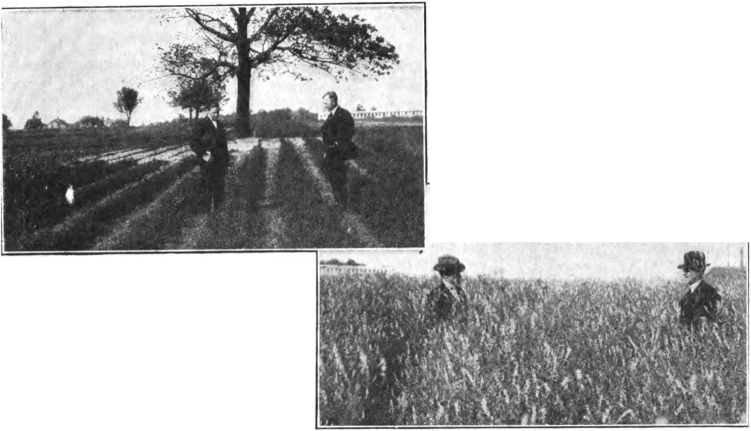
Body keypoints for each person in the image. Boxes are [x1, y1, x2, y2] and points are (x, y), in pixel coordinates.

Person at [320, 91, 355, 209]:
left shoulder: (344, 115)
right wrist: (326, 151)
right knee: (333, 178)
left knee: (340, 178)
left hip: (340, 153)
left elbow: (347, 134)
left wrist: (337, 145)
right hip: (331, 153)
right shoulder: (331, 116)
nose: (324, 105)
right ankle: (338, 202)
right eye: (323, 103)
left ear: (334, 101)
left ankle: (342, 204)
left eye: (326, 102)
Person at [191, 110, 230, 212]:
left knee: (220, 186)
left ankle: (218, 211)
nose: (216, 114)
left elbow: (224, 144)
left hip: (220, 160)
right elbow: (194, 144)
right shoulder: (201, 124)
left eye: (218, 112)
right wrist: (204, 155)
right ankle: (207, 213)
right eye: (214, 112)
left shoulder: (220, 124)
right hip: (208, 161)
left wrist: (226, 159)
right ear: (208, 111)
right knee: (208, 185)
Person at [677, 250, 722, 328]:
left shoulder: (712, 294)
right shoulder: (684, 299)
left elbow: (715, 323)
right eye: (684, 270)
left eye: (688, 270)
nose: (684, 273)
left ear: (698, 271)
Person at [426, 254, 468, 324]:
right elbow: (434, 320)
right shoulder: (436, 293)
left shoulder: (461, 292)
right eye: (456, 273)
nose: (459, 276)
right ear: (445, 276)